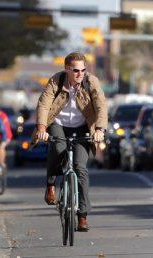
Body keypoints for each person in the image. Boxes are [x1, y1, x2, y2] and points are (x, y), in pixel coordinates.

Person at [34, 52, 108, 232]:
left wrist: (100, 129)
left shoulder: (91, 82)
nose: (80, 74)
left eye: (83, 70)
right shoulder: (56, 81)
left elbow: (101, 105)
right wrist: (42, 128)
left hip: (82, 127)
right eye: (76, 70)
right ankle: (51, 183)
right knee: (58, 149)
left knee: (80, 168)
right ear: (67, 69)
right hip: (58, 124)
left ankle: (82, 216)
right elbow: (44, 104)